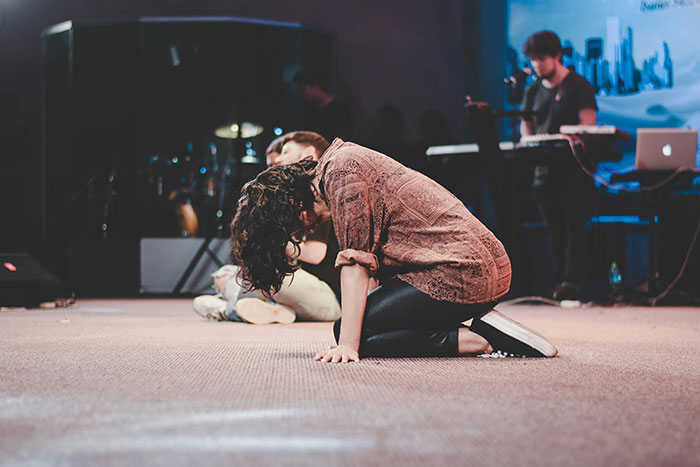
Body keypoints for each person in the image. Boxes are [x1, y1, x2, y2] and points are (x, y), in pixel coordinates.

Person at [230, 132, 559, 363]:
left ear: (292, 205)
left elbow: (356, 263)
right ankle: (481, 327)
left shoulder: (341, 172)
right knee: (359, 325)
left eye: (293, 225)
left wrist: (348, 345)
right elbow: (373, 270)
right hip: (471, 265)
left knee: (350, 332)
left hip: (463, 270)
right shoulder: (339, 165)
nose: (304, 228)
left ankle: (482, 339)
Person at [193, 133, 341, 324]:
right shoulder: (296, 199)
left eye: (286, 152)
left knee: (263, 270)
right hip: (298, 289)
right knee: (224, 275)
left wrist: (269, 240)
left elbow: (315, 254)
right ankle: (276, 310)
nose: (279, 159)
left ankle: (227, 310)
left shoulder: (318, 196)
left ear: (309, 155)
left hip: (327, 297)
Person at [520, 30, 598, 301]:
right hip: (543, 173)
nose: (537, 65)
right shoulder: (531, 91)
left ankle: (572, 283)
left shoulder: (578, 85)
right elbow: (526, 127)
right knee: (552, 230)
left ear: (557, 56)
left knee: (574, 227)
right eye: (532, 60)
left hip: (573, 171)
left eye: (542, 58)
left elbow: (589, 126)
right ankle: (558, 282)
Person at [294, 66, 354, 142]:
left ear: (315, 85)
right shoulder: (307, 110)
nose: (301, 93)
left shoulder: (340, 108)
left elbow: (344, 137)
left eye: (304, 88)